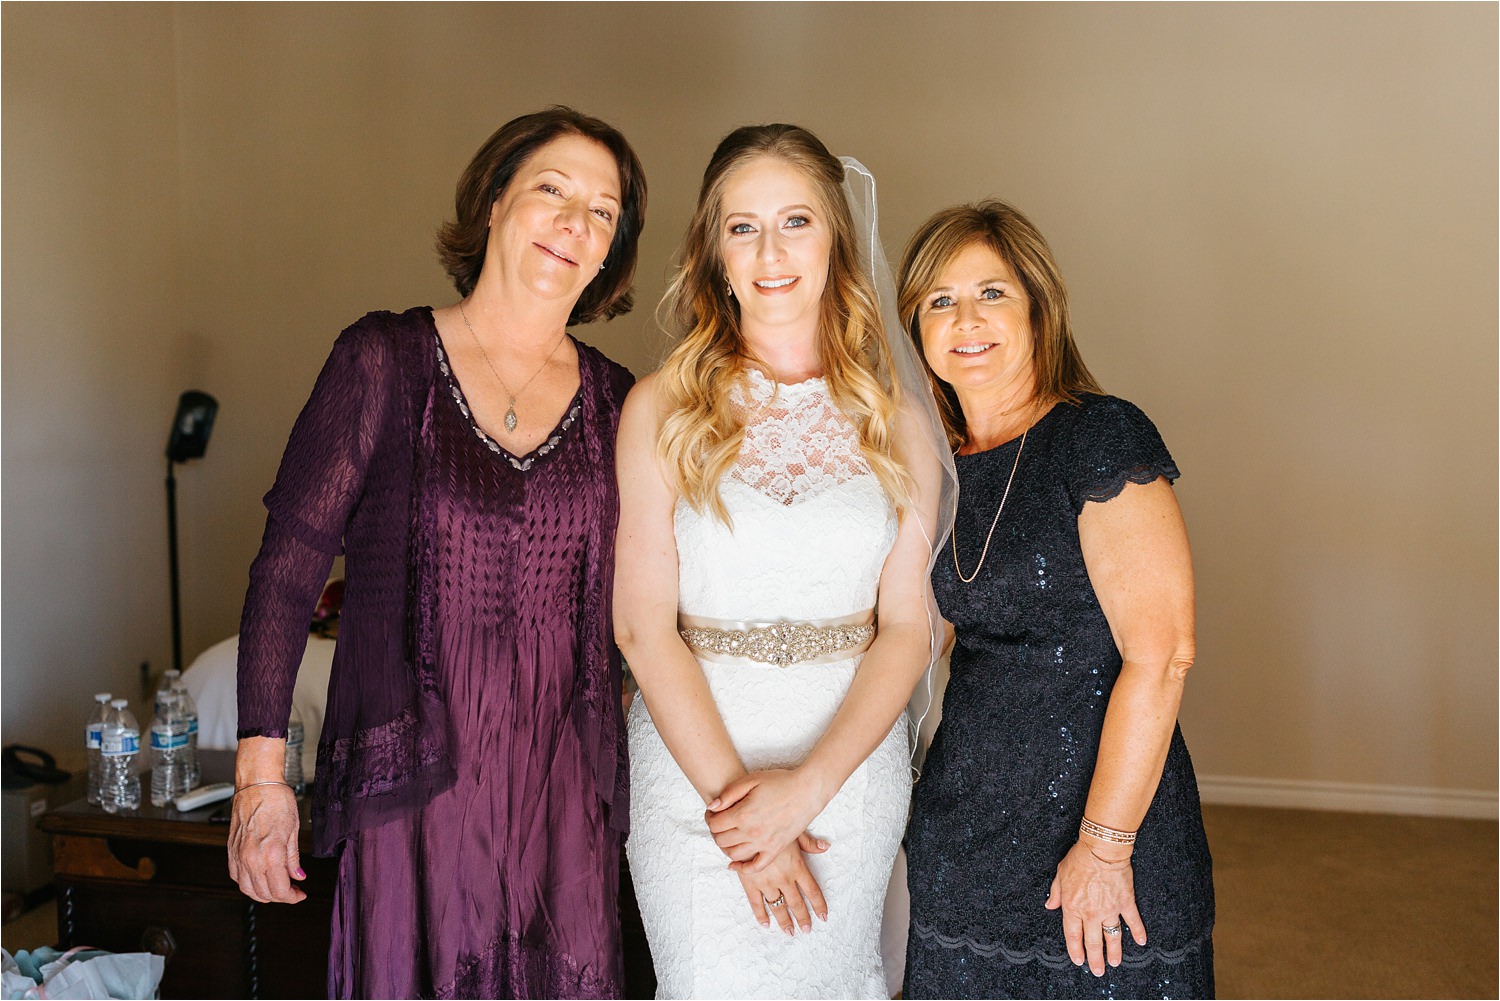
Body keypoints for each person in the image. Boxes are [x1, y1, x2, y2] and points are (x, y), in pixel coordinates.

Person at [227, 106, 646, 999]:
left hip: (562, 799)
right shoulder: (381, 361)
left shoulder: (622, 404)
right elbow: (289, 565)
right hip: (413, 790)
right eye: (552, 190)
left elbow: (656, 609)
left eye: (604, 212)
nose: (577, 223)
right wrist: (261, 776)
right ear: (494, 201)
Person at [613, 124, 954, 999]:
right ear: (713, 251)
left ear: (835, 239)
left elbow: (909, 629)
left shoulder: (899, 419)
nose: (771, 250)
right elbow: (642, 628)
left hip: (846, 773)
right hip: (695, 777)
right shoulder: (660, 409)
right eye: (742, 226)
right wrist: (744, 813)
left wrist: (805, 792)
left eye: (796, 220)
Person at [896, 200, 1215, 999]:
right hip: (962, 835)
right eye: (939, 300)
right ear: (916, 327)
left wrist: (1105, 848)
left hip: (1100, 829)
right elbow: (912, 641)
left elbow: (1164, 652)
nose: (965, 318)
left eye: (992, 292)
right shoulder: (936, 469)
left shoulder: (1098, 436)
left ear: (1040, 307)